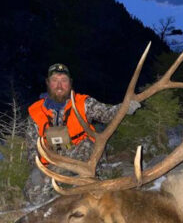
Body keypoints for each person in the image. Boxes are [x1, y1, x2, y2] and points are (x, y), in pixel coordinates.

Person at [23, 63, 141, 205]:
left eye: (64, 80)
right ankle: (62, 197)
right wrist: (38, 170)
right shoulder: (36, 113)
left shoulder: (84, 103)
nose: (59, 85)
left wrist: (125, 107)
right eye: (55, 80)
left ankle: (94, 181)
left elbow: (107, 114)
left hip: (85, 160)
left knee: (86, 145)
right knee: (34, 195)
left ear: (70, 83)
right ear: (48, 83)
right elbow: (32, 153)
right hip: (54, 165)